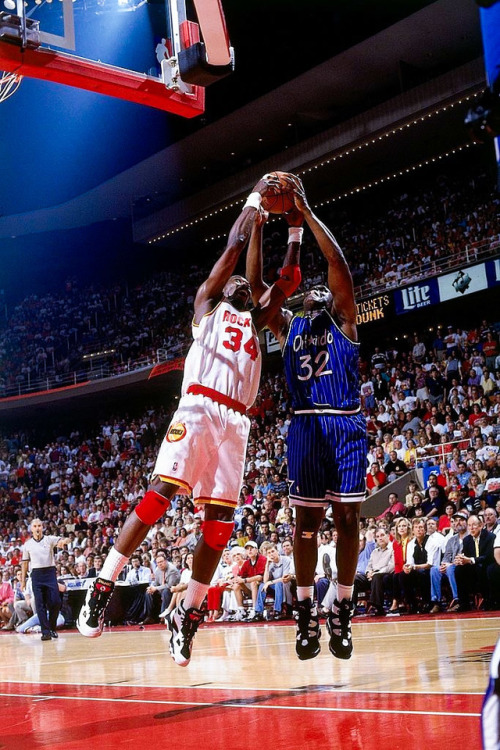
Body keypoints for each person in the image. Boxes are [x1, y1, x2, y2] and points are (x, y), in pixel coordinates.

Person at [77, 175, 301, 668]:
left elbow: (279, 282)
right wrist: (253, 207)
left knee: (220, 526)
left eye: (248, 283)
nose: (242, 283)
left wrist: (291, 230)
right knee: (158, 497)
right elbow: (234, 250)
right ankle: (101, 586)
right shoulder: (207, 306)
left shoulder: (259, 319)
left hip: (236, 423)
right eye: (236, 282)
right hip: (198, 409)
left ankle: (188, 614)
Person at [247, 175, 367, 660]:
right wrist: (259, 224)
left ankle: (341, 607)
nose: (316, 290)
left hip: (344, 422)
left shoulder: (346, 319)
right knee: (305, 524)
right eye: (308, 291)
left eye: (322, 291)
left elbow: (336, 263)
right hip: (304, 426)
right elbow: (257, 286)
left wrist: (306, 213)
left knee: (349, 519)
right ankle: (303, 613)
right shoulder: (288, 324)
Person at [21, 518, 69, 641]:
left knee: (56, 601)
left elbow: (65, 539)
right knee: (40, 604)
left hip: (50, 572)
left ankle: (52, 627)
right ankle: (45, 632)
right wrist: (22, 581)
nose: (37, 528)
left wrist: (63, 542)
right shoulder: (28, 545)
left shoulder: (49, 539)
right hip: (36, 574)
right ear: (31, 529)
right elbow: (25, 565)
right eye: (35, 526)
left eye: (39, 526)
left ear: (42, 527)